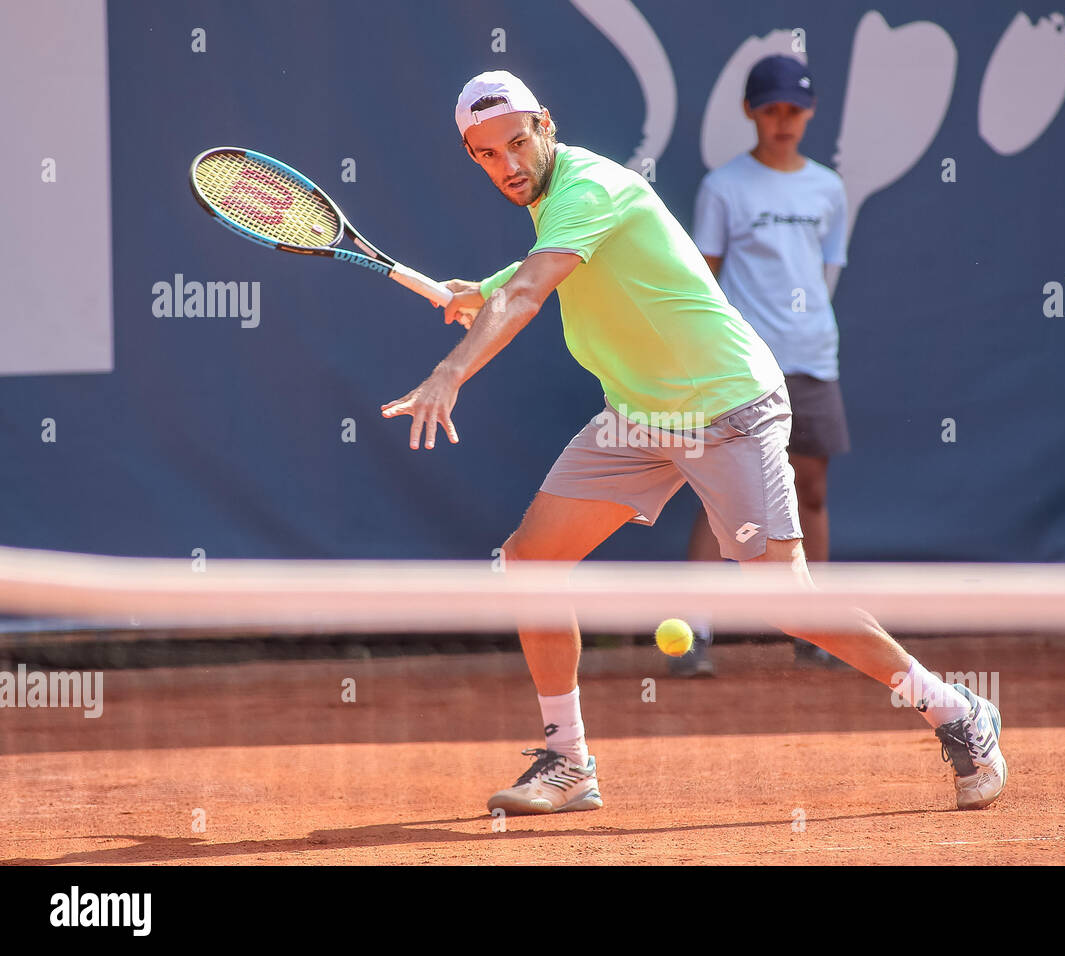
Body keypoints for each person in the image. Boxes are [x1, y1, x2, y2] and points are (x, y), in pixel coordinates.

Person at [381, 70, 1007, 814]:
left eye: (517, 143)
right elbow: (551, 265)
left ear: (546, 124)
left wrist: (452, 372)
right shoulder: (560, 204)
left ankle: (957, 712)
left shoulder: (589, 184)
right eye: (486, 155)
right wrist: (480, 289)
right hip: (641, 415)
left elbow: (534, 289)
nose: (508, 165)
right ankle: (567, 760)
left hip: (726, 407)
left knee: (788, 602)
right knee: (531, 561)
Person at [676, 55, 852, 676]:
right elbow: (704, 280)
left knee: (813, 491)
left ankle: (816, 630)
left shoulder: (829, 188)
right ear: (751, 111)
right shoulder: (723, 187)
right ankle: (693, 633)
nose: (784, 121)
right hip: (741, 369)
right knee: (718, 496)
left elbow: (826, 275)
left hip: (812, 363)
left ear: (809, 113)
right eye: (771, 108)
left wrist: (800, 328)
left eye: (794, 110)